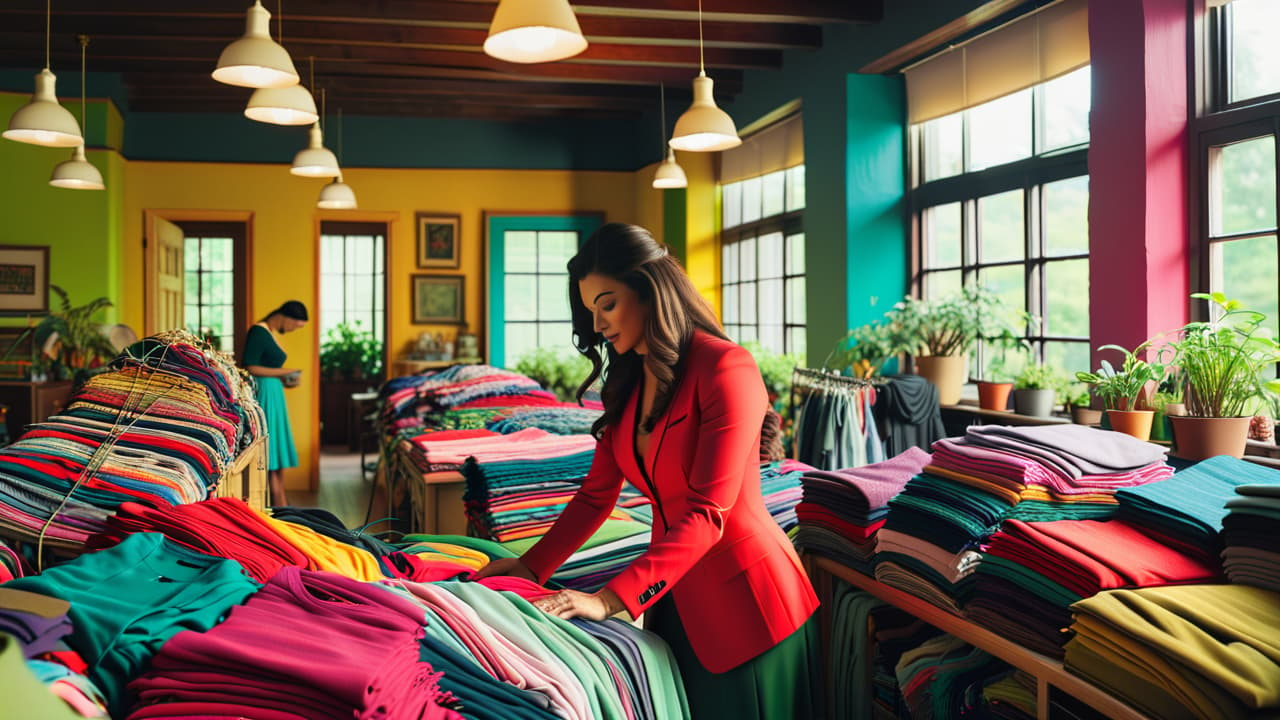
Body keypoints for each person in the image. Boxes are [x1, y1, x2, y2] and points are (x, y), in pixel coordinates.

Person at [474, 223, 820, 718]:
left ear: (649, 289)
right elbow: (595, 498)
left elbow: (707, 513)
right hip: (674, 605)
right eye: (591, 309)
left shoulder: (727, 369)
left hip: (750, 610)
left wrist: (607, 600)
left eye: (607, 303)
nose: (597, 325)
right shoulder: (629, 385)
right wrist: (531, 569)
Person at [241, 300, 308, 507]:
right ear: (286, 316)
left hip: (274, 394)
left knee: (276, 455)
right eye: (295, 325)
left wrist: (284, 379)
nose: (293, 330)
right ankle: (277, 506)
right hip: (265, 396)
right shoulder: (258, 332)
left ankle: (281, 505)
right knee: (268, 452)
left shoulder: (268, 332)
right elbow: (250, 366)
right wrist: (286, 372)